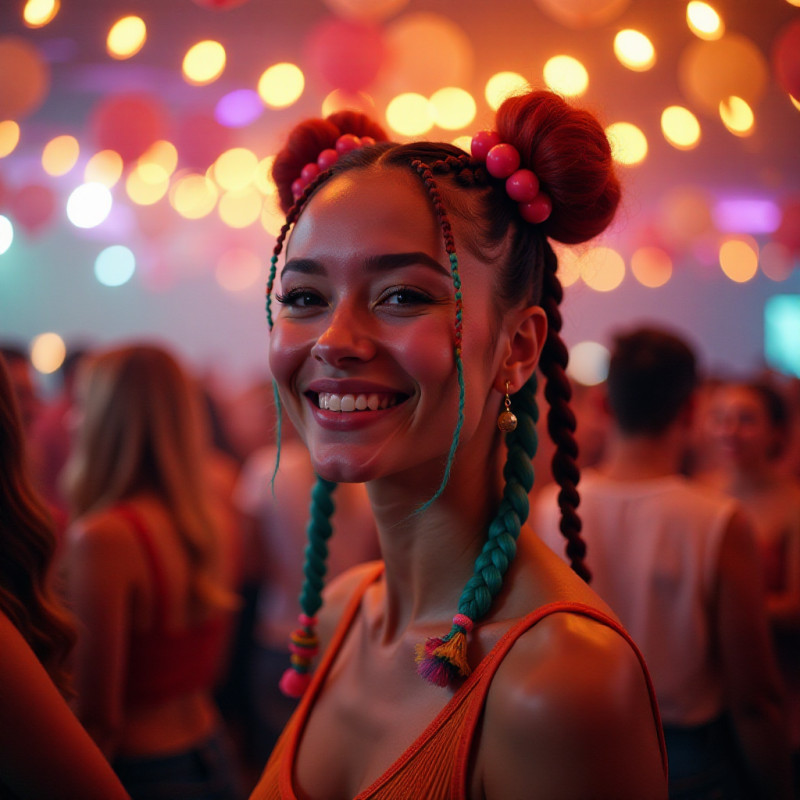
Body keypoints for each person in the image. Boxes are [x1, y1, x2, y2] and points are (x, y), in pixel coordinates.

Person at [249, 91, 668, 799]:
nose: (334, 340)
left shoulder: (563, 682)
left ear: (518, 347)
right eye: (302, 297)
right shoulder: (342, 611)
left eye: (402, 296)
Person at [534, 327, 792, 798]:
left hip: (574, 741)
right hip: (685, 756)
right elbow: (754, 696)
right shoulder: (716, 520)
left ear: (606, 406)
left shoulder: (550, 508)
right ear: (691, 410)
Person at [62, 343, 244, 800]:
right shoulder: (213, 514)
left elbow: (97, 714)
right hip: (211, 749)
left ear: (109, 418)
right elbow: (215, 664)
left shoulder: (104, 537)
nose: (71, 420)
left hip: (140, 771)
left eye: (83, 405)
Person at [0, 353, 129, 800]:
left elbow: (100, 713)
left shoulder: (97, 535)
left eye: (34, 394)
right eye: (19, 397)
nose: (47, 412)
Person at [235, 420, 378, 769]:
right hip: (348, 640)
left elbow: (248, 563)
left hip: (281, 636)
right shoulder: (371, 477)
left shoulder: (265, 467)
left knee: (276, 765)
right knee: (335, 765)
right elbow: (378, 566)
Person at [703, 378, 800, 789]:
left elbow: (796, 609)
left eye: (746, 420)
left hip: (775, 673)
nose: (730, 430)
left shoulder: (791, 504)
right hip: (708, 681)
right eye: (722, 418)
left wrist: (726, 608)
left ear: (776, 432)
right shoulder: (697, 490)